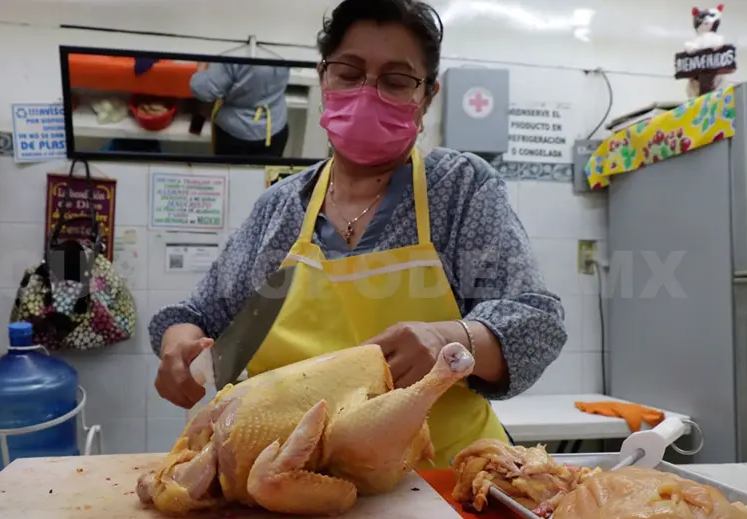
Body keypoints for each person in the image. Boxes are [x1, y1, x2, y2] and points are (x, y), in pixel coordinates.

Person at [150, 0, 567, 469]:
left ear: (427, 96)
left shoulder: (459, 188)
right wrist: (179, 346)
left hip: (445, 481)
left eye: (396, 80)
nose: (367, 94)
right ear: (323, 78)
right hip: (295, 479)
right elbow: (197, 315)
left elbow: (536, 322)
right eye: (348, 73)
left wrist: (453, 339)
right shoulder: (281, 207)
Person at [190, 62, 290, 156]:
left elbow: (203, 90)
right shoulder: (285, 51)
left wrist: (201, 69)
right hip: (273, 126)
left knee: (229, 168)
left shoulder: (233, 54)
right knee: (266, 168)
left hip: (233, 132)